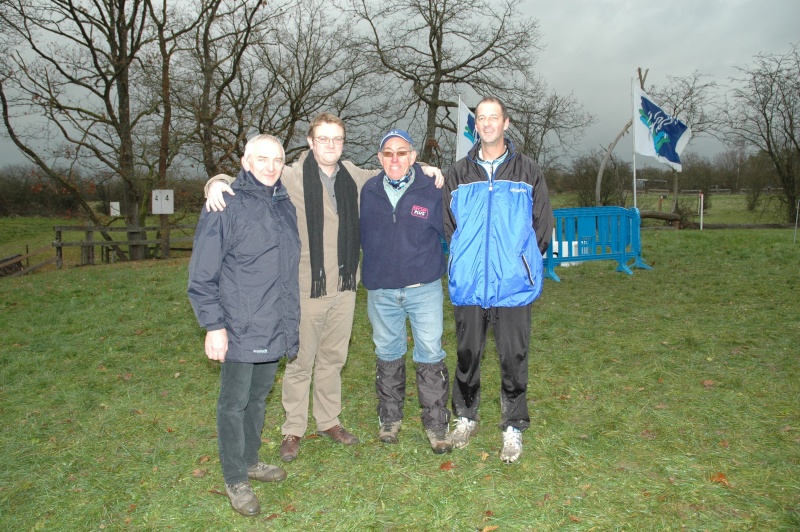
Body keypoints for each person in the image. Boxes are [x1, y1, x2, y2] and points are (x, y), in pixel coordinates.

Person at [205, 113, 444, 462]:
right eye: (324, 139)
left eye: (337, 139)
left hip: (346, 287)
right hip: (305, 287)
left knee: (333, 359)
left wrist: (426, 167)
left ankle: (328, 420)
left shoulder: (355, 176)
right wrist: (216, 181)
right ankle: (293, 428)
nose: (331, 145)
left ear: (343, 143)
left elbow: (395, 167)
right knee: (301, 361)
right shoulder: (288, 176)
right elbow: (249, 176)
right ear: (311, 141)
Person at [188, 134, 300, 516]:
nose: (270, 166)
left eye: (277, 159)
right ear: (245, 162)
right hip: (238, 324)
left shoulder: (284, 204)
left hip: (274, 322)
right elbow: (202, 275)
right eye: (262, 158)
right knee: (233, 403)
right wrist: (214, 325)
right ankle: (235, 477)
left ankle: (251, 459)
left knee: (257, 397)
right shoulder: (225, 204)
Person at [443, 97, 553, 464]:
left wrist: (522, 265)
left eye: (494, 117)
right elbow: (449, 227)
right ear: (476, 125)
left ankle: (513, 424)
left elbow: (542, 226)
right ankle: (465, 416)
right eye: (481, 118)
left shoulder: (528, 171)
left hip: (512, 285)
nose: (487, 123)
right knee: (467, 354)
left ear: (506, 123)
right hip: (471, 282)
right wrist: (463, 261)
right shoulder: (458, 173)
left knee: (513, 355)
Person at [359, 129, 451, 454]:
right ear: (379, 159)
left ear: (413, 157)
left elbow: (455, 233)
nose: (395, 158)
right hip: (381, 291)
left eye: (402, 152)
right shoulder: (367, 190)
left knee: (430, 352)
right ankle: (389, 419)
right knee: (388, 352)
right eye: (388, 153)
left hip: (423, 289)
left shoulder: (432, 189)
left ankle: (437, 424)